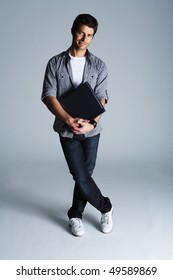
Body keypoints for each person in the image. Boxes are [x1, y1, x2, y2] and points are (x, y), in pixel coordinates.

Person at [41, 14, 113, 237]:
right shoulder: (55, 63)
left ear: (93, 37)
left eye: (89, 35)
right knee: (80, 175)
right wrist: (68, 119)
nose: (84, 38)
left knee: (85, 175)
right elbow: (48, 96)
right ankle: (106, 207)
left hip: (92, 131)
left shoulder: (99, 65)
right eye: (81, 32)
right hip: (66, 129)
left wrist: (91, 123)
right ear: (73, 30)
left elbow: (102, 98)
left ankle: (75, 214)